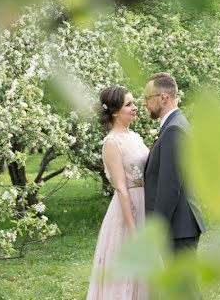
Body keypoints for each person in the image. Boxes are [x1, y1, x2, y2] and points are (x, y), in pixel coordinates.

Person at [86, 85, 150, 300]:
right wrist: (133, 230)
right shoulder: (112, 142)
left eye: (134, 103)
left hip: (146, 204)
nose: (135, 108)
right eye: (129, 104)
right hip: (128, 209)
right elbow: (121, 189)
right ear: (114, 112)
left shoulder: (135, 136)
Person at [142, 72, 205, 252]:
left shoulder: (174, 129)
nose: (144, 104)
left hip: (178, 227)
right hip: (179, 226)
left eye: (147, 98)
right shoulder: (175, 124)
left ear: (163, 97)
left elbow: (169, 185)